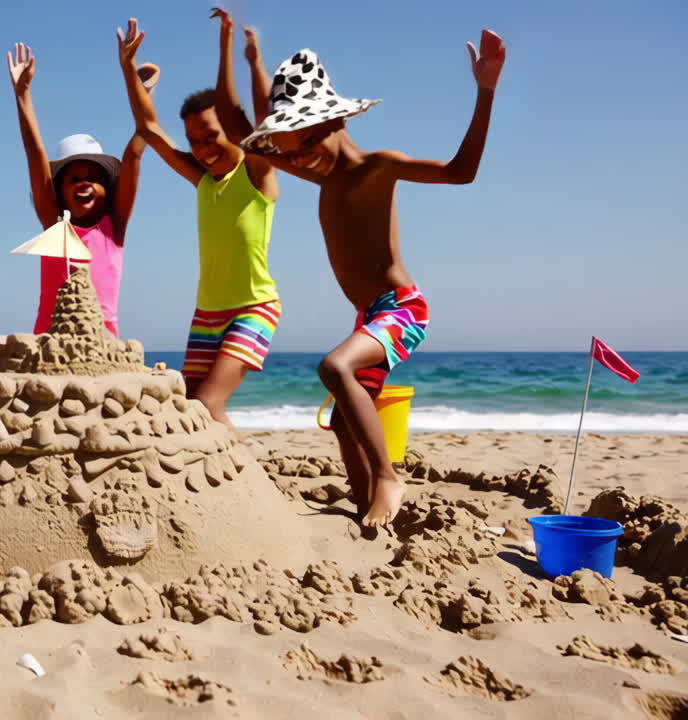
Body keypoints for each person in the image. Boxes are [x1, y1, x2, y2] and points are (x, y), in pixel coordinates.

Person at [235, 30, 506, 527]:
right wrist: (252, 62)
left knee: (335, 368)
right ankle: (366, 514)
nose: (299, 159)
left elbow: (460, 172)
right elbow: (259, 132)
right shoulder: (320, 174)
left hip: (402, 307)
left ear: (337, 121)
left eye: (308, 144)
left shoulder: (378, 169)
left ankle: (388, 476)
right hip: (370, 314)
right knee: (342, 419)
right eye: (291, 153)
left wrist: (485, 91)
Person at [116, 16, 281, 430]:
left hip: (254, 307)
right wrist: (127, 70)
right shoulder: (204, 181)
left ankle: (247, 481)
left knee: (209, 403)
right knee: (189, 405)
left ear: (233, 130)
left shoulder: (256, 172)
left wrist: (228, 45)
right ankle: (227, 479)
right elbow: (150, 130)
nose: (202, 149)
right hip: (207, 314)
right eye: (193, 141)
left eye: (211, 136)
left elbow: (255, 120)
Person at [7, 43, 155, 336]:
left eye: (92, 178)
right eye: (73, 179)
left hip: (103, 343)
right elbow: (35, 155)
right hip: (51, 339)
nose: (84, 183)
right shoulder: (55, 227)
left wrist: (142, 94)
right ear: (59, 191)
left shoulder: (115, 226)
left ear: (108, 188)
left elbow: (135, 154)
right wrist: (23, 95)